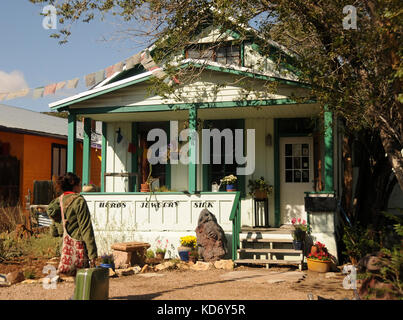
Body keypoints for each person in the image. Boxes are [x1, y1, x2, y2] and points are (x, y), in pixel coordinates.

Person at [47, 172, 97, 270]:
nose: (80, 187)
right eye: (80, 184)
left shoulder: (58, 201)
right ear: (74, 186)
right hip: (78, 250)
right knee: (81, 281)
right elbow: (86, 228)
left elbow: (54, 232)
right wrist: (93, 255)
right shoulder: (79, 201)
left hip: (64, 251)